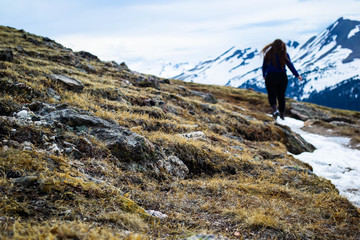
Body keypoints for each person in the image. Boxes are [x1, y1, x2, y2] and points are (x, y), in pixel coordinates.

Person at [261, 39, 302, 120]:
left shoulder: (268, 54)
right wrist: (297, 75)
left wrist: (264, 75)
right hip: (282, 76)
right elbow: (290, 65)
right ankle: (282, 115)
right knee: (281, 96)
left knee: (271, 95)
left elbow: (264, 66)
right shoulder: (284, 54)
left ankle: (274, 110)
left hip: (270, 76)